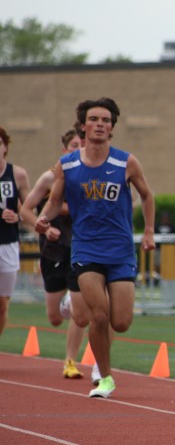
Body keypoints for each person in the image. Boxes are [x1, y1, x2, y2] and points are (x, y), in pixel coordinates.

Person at [35, 99, 156, 398]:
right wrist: (44, 219)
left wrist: (149, 231)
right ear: (83, 125)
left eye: (106, 120)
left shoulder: (126, 162)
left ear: (112, 127)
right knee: (99, 316)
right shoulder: (67, 165)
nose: (100, 124)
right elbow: (54, 202)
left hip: (120, 250)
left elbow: (147, 195)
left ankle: (101, 360)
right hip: (86, 249)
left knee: (121, 322)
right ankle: (105, 376)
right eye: (94, 119)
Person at [19, 127, 89, 378]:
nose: (79, 150)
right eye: (74, 146)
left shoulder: (92, 177)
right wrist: (44, 227)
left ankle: (70, 361)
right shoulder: (50, 177)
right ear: (65, 150)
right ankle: (66, 303)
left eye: (82, 145)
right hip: (53, 251)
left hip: (80, 248)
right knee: (55, 318)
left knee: (80, 314)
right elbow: (25, 210)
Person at [0, 126, 31, 340]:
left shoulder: (17, 174)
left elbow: (30, 210)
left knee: (2, 304)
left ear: (5, 147)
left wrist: (18, 217)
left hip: (8, 244)